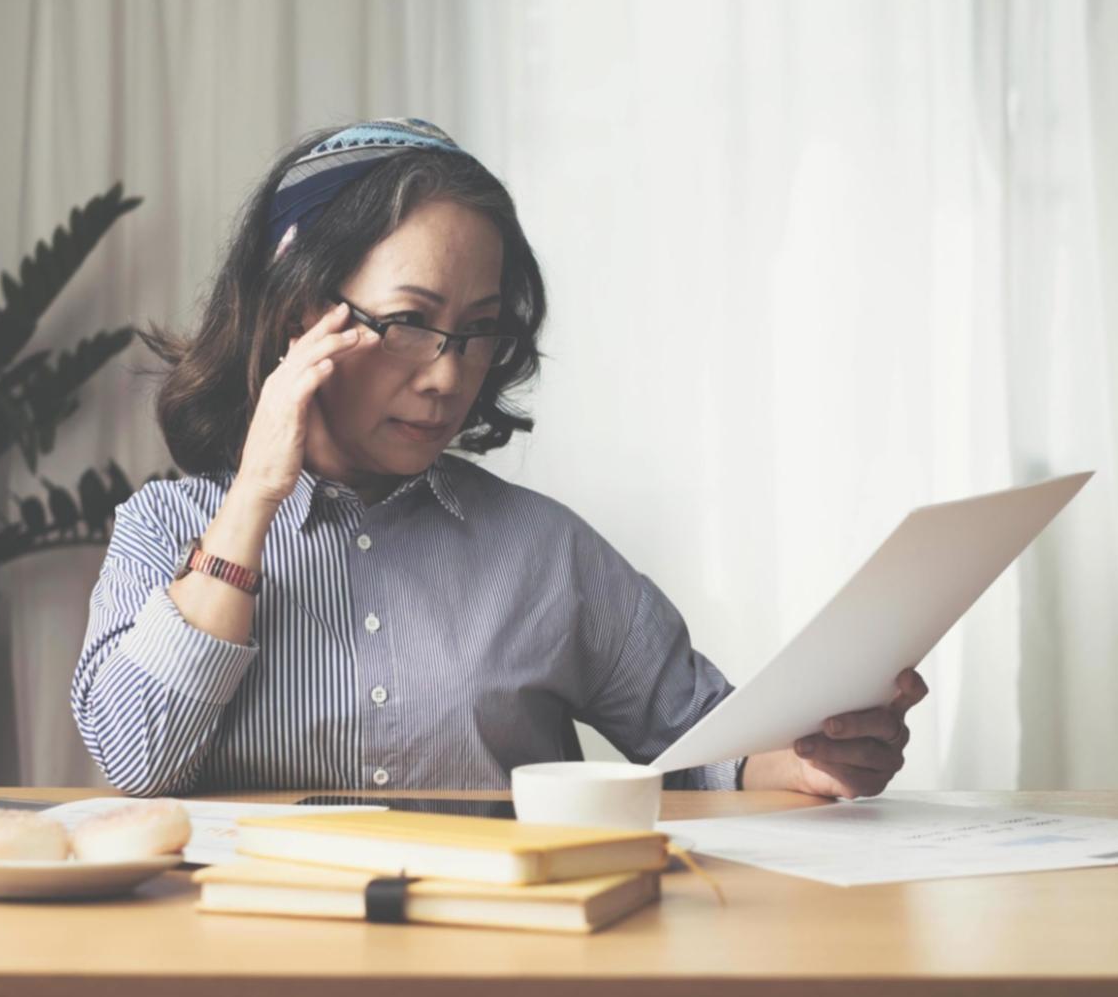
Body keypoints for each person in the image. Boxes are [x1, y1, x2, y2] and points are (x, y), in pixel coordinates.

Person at [71, 117, 927, 798]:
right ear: (302, 314)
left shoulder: (544, 550)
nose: (448, 376)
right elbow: (137, 761)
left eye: (478, 331)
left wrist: (811, 759)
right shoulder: (164, 528)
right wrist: (255, 497)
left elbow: (705, 746)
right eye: (407, 321)